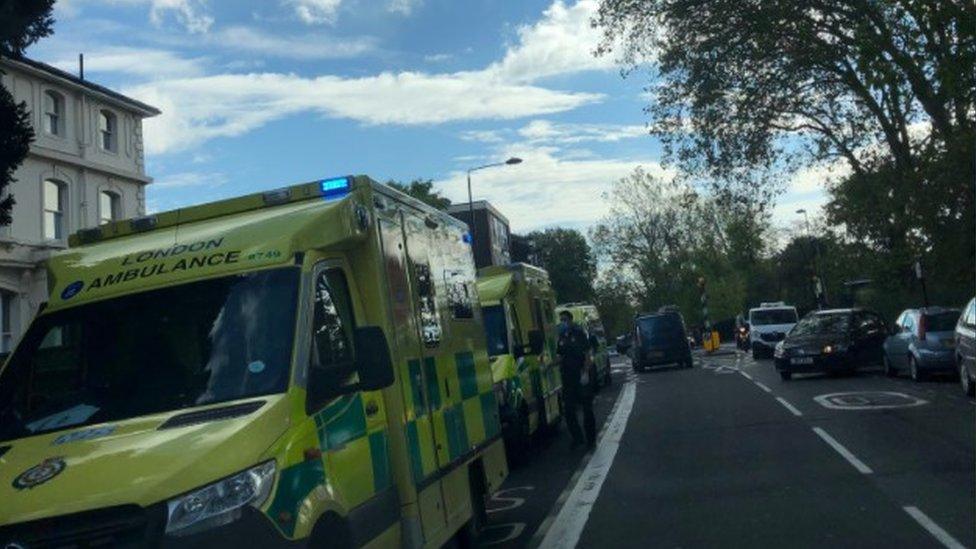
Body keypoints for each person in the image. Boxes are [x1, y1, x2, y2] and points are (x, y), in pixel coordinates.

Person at [556, 310, 596, 450]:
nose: (562, 322)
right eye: (561, 320)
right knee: (569, 411)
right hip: (568, 379)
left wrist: (585, 372)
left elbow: (587, 354)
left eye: (564, 319)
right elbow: (560, 356)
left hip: (580, 376)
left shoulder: (579, 334)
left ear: (571, 320)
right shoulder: (561, 337)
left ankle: (591, 439)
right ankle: (577, 438)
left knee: (587, 409)